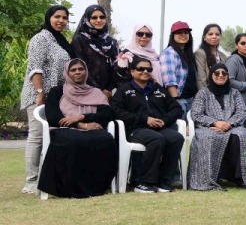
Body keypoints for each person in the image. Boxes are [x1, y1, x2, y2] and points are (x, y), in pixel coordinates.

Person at [36, 59, 117, 198]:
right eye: (73, 70)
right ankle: (69, 188)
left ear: (86, 71)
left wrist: (82, 117)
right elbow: (54, 117)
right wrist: (80, 125)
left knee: (106, 139)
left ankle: (97, 186)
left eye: (81, 69)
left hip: (92, 129)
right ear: (67, 73)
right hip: (64, 129)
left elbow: (107, 114)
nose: (77, 72)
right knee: (75, 140)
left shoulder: (95, 92)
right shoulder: (57, 91)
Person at [110, 55, 185, 194]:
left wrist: (165, 120)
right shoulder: (124, 90)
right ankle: (144, 182)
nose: (145, 71)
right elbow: (116, 111)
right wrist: (144, 119)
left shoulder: (158, 89)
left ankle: (165, 180)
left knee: (176, 138)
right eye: (141, 69)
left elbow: (176, 109)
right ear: (132, 71)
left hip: (160, 128)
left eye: (149, 69)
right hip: (135, 129)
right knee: (156, 139)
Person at [20, 5, 73, 194]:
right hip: (38, 96)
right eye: (57, 16)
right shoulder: (40, 38)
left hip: (55, 98)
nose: (61, 21)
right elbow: (35, 68)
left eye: (64, 18)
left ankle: (47, 179)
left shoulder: (60, 41)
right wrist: (40, 93)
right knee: (37, 137)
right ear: (49, 18)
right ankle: (31, 182)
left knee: (51, 136)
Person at [187, 63, 246, 191]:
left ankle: (239, 178)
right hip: (208, 127)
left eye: (224, 73)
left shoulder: (235, 93)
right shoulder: (203, 93)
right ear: (211, 75)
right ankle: (210, 178)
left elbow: (241, 111)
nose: (220, 75)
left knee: (241, 136)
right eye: (217, 73)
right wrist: (215, 123)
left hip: (232, 126)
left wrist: (229, 124)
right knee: (208, 138)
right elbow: (196, 114)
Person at [70, 4, 120, 96]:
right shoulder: (80, 40)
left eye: (102, 17)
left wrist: (109, 89)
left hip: (110, 93)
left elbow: (117, 68)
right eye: (94, 17)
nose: (99, 20)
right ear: (87, 19)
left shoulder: (112, 43)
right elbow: (79, 67)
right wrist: (98, 90)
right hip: (86, 91)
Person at [160, 21, 198, 111]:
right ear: (172, 35)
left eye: (186, 32)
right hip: (179, 100)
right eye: (179, 33)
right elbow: (169, 81)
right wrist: (175, 101)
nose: (183, 35)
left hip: (191, 99)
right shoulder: (169, 53)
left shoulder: (188, 54)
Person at [193, 24, 228, 93]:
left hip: (222, 92)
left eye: (217, 34)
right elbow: (201, 78)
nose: (214, 36)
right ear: (204, 37)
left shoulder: (223, 55)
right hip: (207, 93)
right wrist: (205, 95)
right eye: (210, 34)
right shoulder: (200, 53)